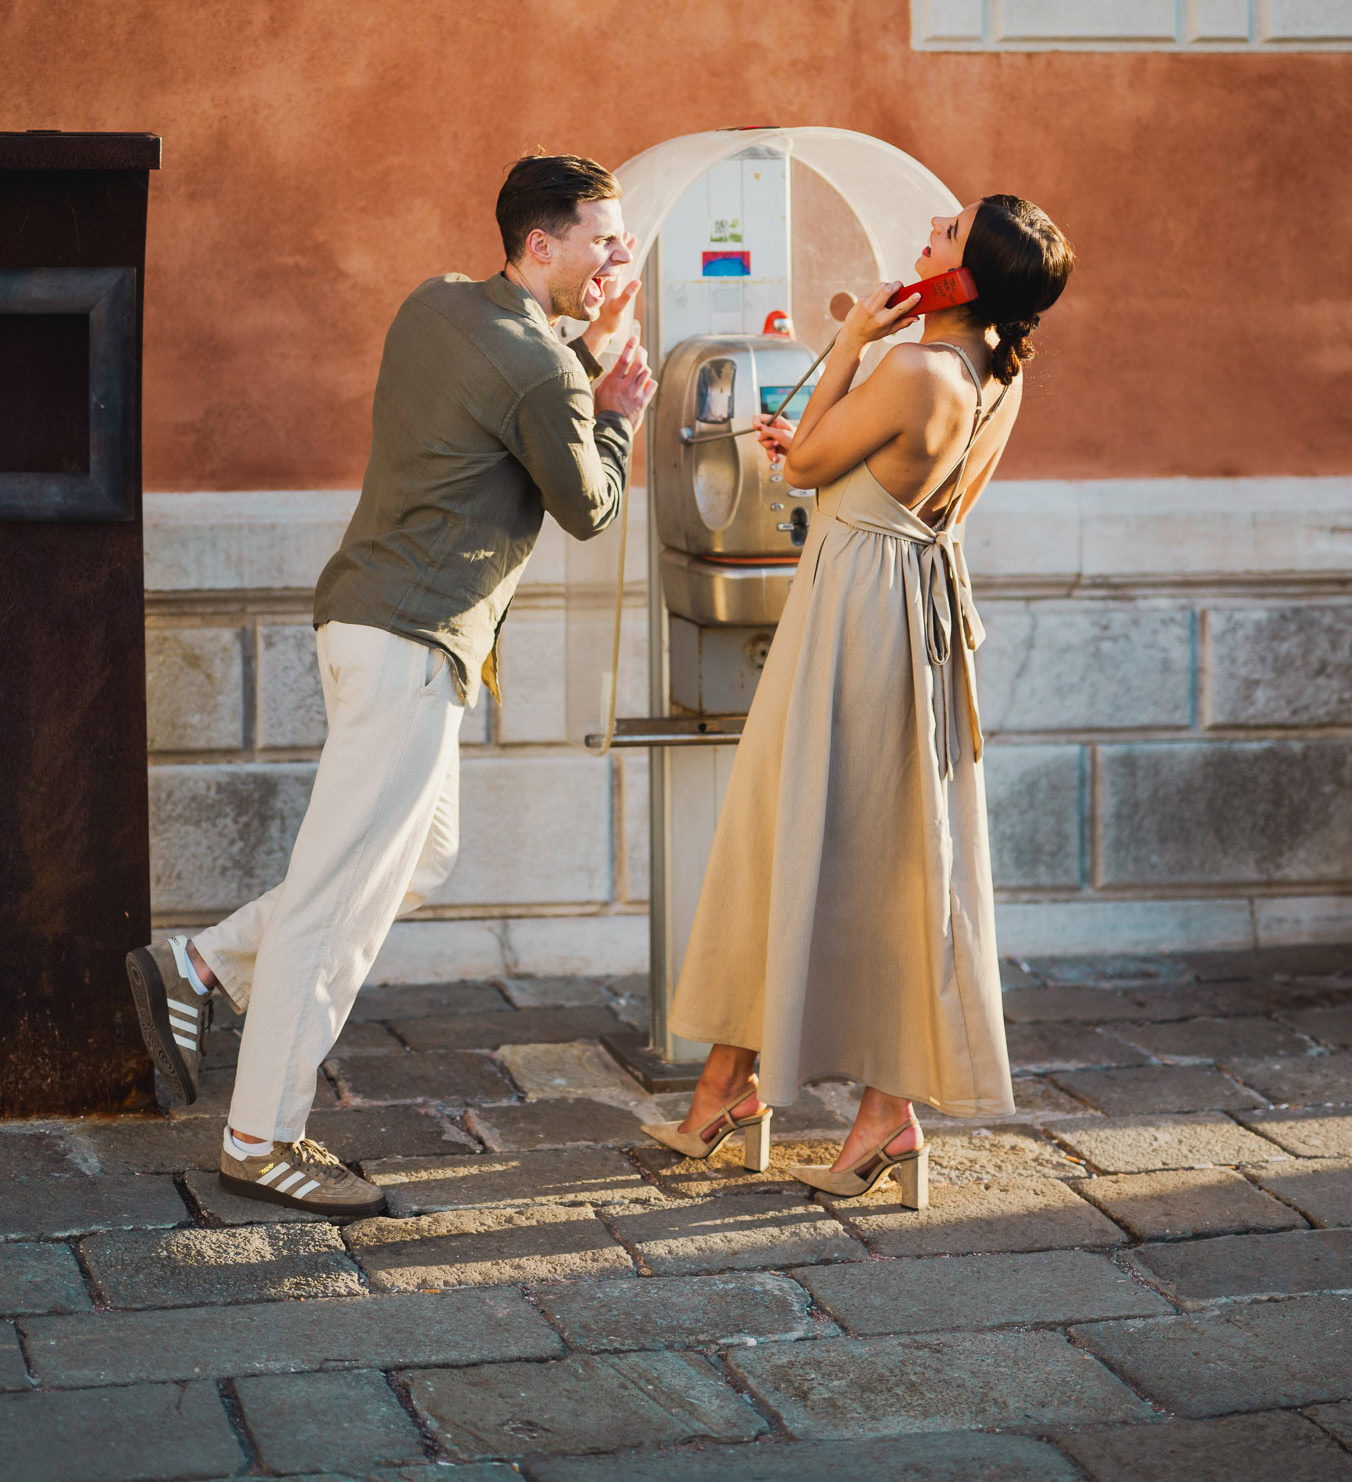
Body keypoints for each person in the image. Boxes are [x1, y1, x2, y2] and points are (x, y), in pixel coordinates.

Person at [127, 154, 656, 1218]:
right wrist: (617, 404)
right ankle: (260, 1137)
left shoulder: (433, 305)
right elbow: (589, 507)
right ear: (541, 244)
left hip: (368, 624)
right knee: (339, 899)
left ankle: (201, 964)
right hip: (412, 642)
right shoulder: (543, 372)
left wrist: (580, 345)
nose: (618, 255)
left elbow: (504, 393)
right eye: (603, 237)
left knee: (424, 857)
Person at [646, 194, 1074, 1203]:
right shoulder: (991, 374)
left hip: (853, 630)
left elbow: (800, 465)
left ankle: (874, 1112)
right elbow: (856, 466)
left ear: (962, 279)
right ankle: (729, 1088)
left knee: (805, 848)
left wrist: (845, 340)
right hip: (902, 620)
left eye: (947, 232)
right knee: (846, 859)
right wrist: (823, 415)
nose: (928, 227)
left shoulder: (915, 367)